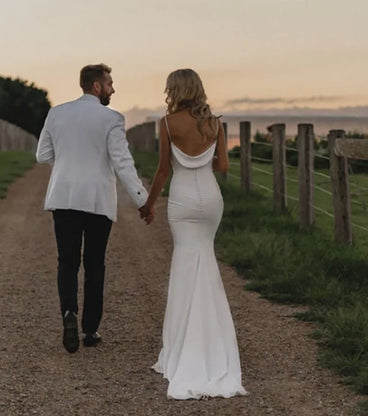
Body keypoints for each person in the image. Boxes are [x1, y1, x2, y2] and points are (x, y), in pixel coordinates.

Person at [139, 69, 247, 399]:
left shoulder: (169, 123)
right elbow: (224, 167)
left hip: (183, 200)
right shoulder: (214, 123)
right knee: (207, 264)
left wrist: (149, 203)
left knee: (185, 267)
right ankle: (214, 347)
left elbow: (163, 170)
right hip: (211, 200)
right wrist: (203, 164)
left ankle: (183, 347)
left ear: (175, 90)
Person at [36, 64, 152, 354]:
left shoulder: (56, 113)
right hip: (98, 200)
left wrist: (68, 162)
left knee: (67, 261)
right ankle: (90, 329)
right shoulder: (111, 118)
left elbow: (42, 155)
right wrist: (143, 200)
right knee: (94, 263)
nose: (113, 89)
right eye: (110, 83)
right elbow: (122, 162)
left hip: (63, 197)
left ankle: (68, 314)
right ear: (97, 86)